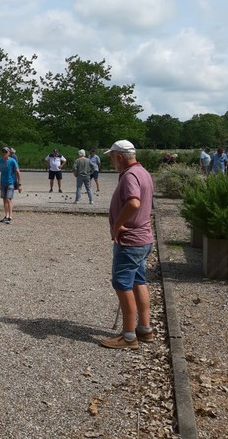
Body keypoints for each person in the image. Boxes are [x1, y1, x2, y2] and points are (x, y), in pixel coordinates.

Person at [100, 140, 155, 350]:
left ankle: (129, 335)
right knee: (138, 281)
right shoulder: (143, 172)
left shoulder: (130, 175)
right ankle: (145, 329)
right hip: (143, 239)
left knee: (122, 284)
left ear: (120, 156)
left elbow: (134, 202)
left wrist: (117, 224)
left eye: (112, 157)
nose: (111, 161)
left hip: (130, 241)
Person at [0, 146, 21, 224]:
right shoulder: (0, 161)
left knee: (9, 199)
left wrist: (19, 184)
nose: (4, 153)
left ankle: (10, 217)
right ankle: (6, 215)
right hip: (3, 182)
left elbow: (18, 172)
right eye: (3, 151)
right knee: (4, 199)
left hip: (10, 182)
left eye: (6, 152)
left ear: (9, 153)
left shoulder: (12, 161)